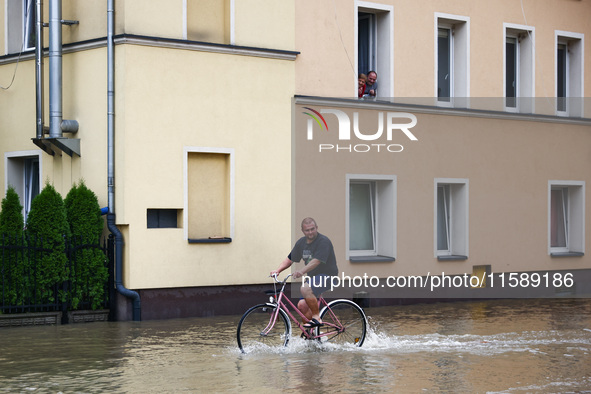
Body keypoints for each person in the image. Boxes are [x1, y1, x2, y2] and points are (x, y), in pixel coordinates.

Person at [270, 217, 338, 328]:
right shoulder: (301, 243)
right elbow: (289, 259)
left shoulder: (323, 241)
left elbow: (316, 261)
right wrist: (277, 271)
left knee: (305, 288)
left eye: (312, 229)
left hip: (328, 276)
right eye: (307, 230)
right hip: (313, 279)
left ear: (317, 228)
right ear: (302, 230)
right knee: (302, 306)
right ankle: (310, 335)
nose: (310, 232)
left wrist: (301, 271)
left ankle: (317, 317)